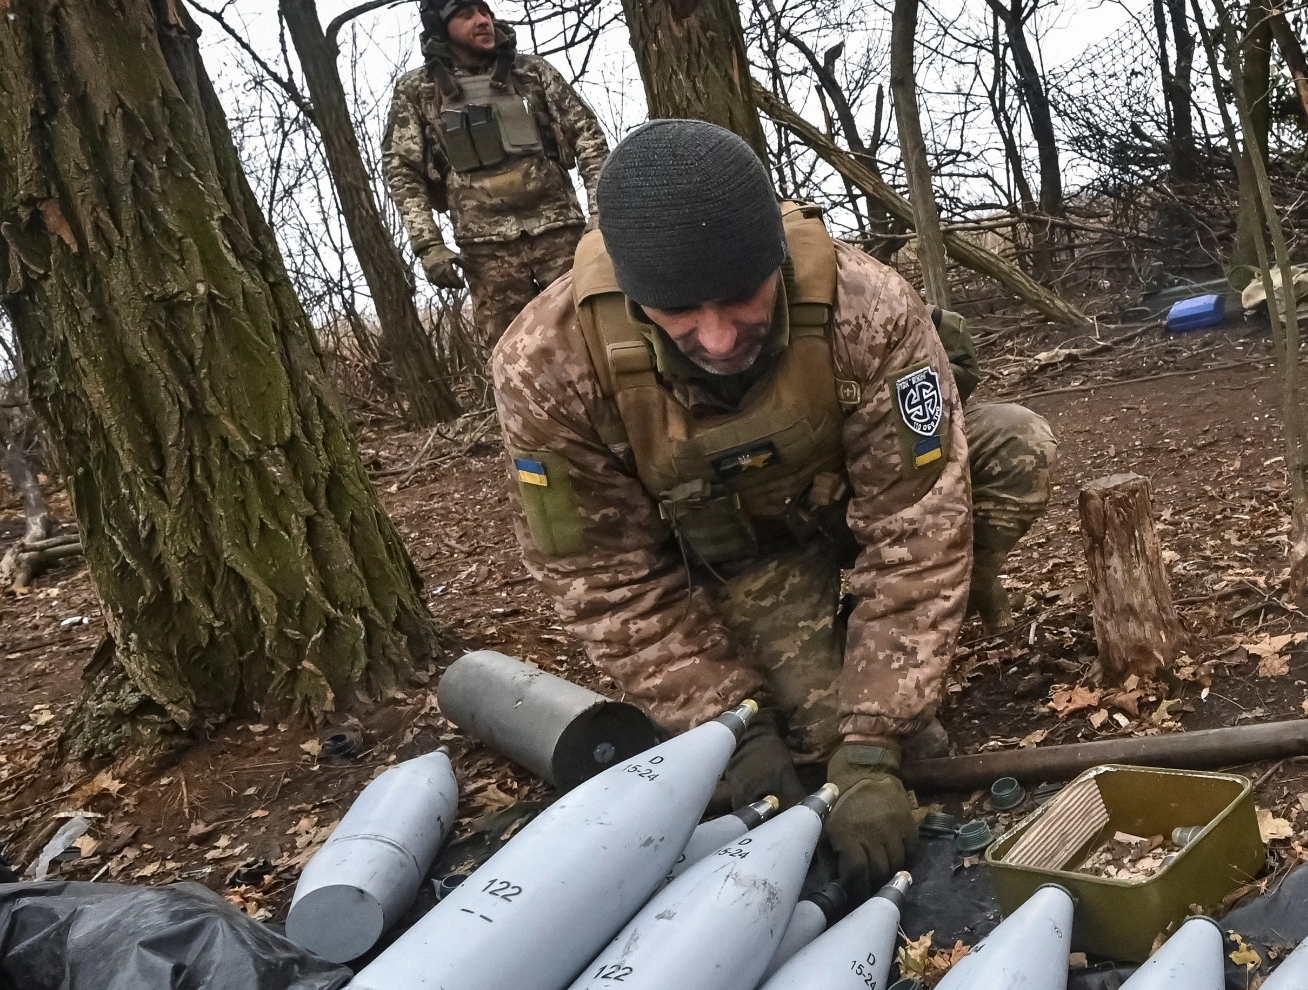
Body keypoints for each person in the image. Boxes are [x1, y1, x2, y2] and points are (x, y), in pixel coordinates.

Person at [490, 119, 1058, 894]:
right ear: (632, 293)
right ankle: (806, 659)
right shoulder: (549, 364)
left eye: (739, 299)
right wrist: (729, 722)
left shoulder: (869, 307)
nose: (719, 338)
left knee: (1015, 446)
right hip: (734, 561)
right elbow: (604, 579)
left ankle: (937, 626)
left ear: (779, 264)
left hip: (846, 504)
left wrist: (874, 740)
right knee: (808, 745)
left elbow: (918, 527)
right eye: (681, 312)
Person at [382, 0, 609, 350]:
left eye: (484, 11)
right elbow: (402, 169)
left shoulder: (532, 72)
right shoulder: (419, 90)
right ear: (440, 27)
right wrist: (428, 245)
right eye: (466, 14)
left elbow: (588, 138)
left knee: (595, 341)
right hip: (486, 253)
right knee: (513, 360)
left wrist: (601, 214)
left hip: (560, 236)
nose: (482, 20)